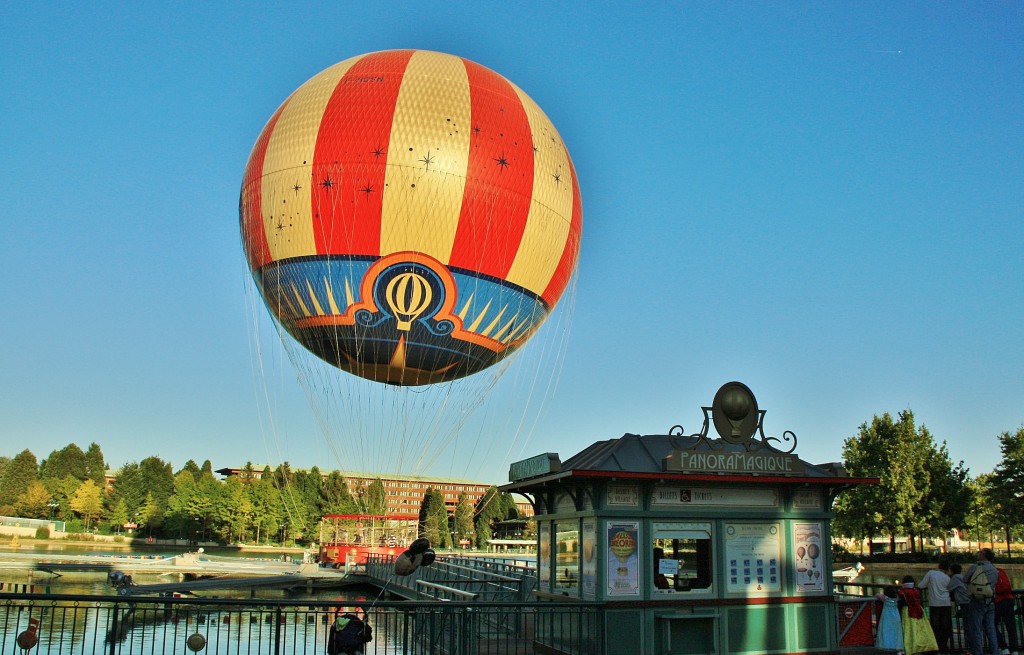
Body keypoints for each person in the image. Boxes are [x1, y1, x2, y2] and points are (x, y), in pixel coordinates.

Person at [964, 548, 1001, 655]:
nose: (978, 554)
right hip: (990, 601)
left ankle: (978, 652)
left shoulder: (976, 567)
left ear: (983, 555)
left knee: (976, 629)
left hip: (976, 601)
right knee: (991, 629)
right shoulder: (994, 569)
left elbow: (965, 579)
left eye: (980, 552)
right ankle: (995, 652)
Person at [897, 575, 939, 655]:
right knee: (921, 629)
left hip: (907, 611)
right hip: (919, 611)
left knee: (909, 629)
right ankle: (926, 646)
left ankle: (911, 647)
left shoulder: (902, 592)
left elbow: (900, 602)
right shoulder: (916, 591)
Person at [919, 558, 953, 653]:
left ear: (939, 566)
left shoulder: (931, 573)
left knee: (935, 625)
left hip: (934, 603)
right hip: (946, 603)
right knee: (946, 625)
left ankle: (936, 645)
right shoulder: (948, 578)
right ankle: (944, 645)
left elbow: (921, 585)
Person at [994, 560, 1020, 655]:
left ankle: (1003, 647)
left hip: (997, 601)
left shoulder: (988, 573)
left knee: (991, 625)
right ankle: (1015, 650)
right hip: (1009, 600)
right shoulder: (1000, 570)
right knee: (1011, 627)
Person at [948, 563, 975, 653]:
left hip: (965, 603)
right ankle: (972, 647)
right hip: (969, 602)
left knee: (967, 625)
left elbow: (948, 588)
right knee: (970, 624)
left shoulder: (955, 578)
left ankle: (970, 647)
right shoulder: (962, 577)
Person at [875, 584, 905, 653]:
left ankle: (887, 645)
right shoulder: (897, 598)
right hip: (896, 616)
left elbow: (877, 595)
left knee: (886, 631)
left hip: (887, 616)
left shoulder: (885, 598)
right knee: (896, 632)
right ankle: (897, 647)